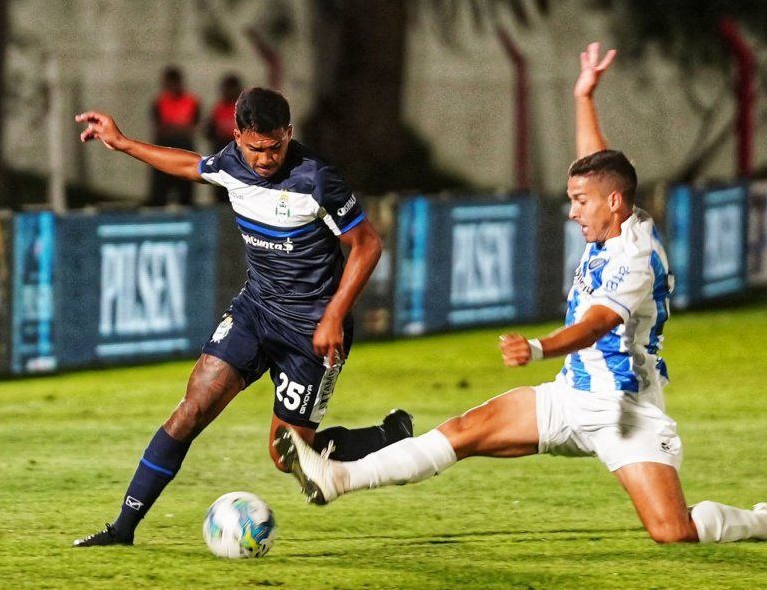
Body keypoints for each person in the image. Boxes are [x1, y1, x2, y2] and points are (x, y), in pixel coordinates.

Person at [274, 43, 767, 545]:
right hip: (572, 395)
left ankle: (761, 522)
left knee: (672, 531)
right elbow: (595, 166)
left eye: (580, 203)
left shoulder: (635, 256)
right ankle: (335, 477)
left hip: (623, 410)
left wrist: (538, 347)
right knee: (462, 432)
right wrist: (584, 96)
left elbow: (596, 324)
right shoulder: (618, 212)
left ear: (613, 203)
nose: (572, 212)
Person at [72, 87, 413, 546]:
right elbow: (191, 166)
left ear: (289, 134)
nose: (267, 158)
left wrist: (335, 315)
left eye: (276, 146)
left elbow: (368, 244)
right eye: (256, 148)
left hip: (312, 332)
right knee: (189, 411)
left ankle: (390, 434)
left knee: (288, 455)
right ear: (237, 137)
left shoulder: (317, 179)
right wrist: (125, 142)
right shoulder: (232, 163)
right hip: (255, 312)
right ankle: (122, 530)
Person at [147, 66, 201, 206]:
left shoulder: (191, 101)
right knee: (159, 194)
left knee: (186, 194)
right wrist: (178, 129)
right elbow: (159, 128)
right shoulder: (159, 102)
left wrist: (174, 129)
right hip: (163, 150)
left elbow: (192, 128)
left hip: (184, 150)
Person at [205, 74, 243, 203]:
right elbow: (208, 132)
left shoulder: (244, 110)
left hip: (240, 160)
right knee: (221, 195)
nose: (228, 92)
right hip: (222, 159)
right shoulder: (218, 109)